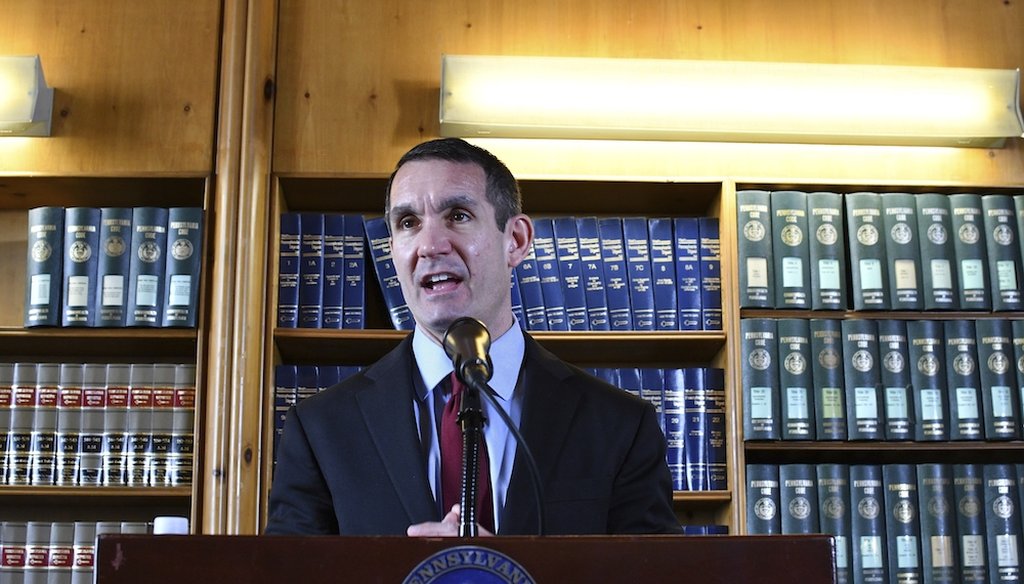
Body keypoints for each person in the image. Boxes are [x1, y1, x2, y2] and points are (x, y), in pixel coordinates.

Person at [264, 137, 680, 536]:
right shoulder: (321, 429)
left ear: (515, 240)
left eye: (458, 216)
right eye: (408, 223)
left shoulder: (620, 426)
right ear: (393, 250)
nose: (430, 245)